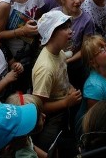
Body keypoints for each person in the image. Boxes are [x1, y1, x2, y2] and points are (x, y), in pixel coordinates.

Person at [32, 10, 81, 152]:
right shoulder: (45, 69)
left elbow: (61, 77)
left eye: (69, 27)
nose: (71, 32)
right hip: (51, 120)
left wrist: (69, 88)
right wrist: (66, 102)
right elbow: (39, 106)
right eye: (65, 28)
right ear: (52, 33)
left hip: (64, 111)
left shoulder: (58, 52)